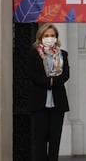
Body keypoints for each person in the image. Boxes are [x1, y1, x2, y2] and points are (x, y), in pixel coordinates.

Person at [27, 23, 70, 161]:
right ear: (40, 37)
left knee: (54, 141)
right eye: (46, 35)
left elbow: (66, 75)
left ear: (56, 38)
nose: (49, 38)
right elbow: (31, 74)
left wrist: (53, 81)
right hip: (39, 103)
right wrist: (48, 81)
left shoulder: (63, 54)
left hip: (58, 103)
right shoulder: (33, 54)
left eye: (52, 35)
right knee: (39, 141)